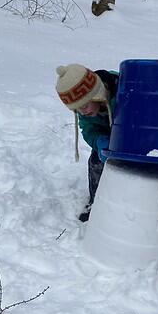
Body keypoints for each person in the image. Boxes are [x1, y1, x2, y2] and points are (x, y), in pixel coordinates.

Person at [55, 64, 119, 221]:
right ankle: (96, 202)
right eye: (77, 109)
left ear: (96, 94)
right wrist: (98, 140)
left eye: (84, 105)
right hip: (107, 135)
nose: (83, 111)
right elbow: (88, 129)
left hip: (133, 134)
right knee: (96, 162)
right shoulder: (86, 107)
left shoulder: (123, 91)